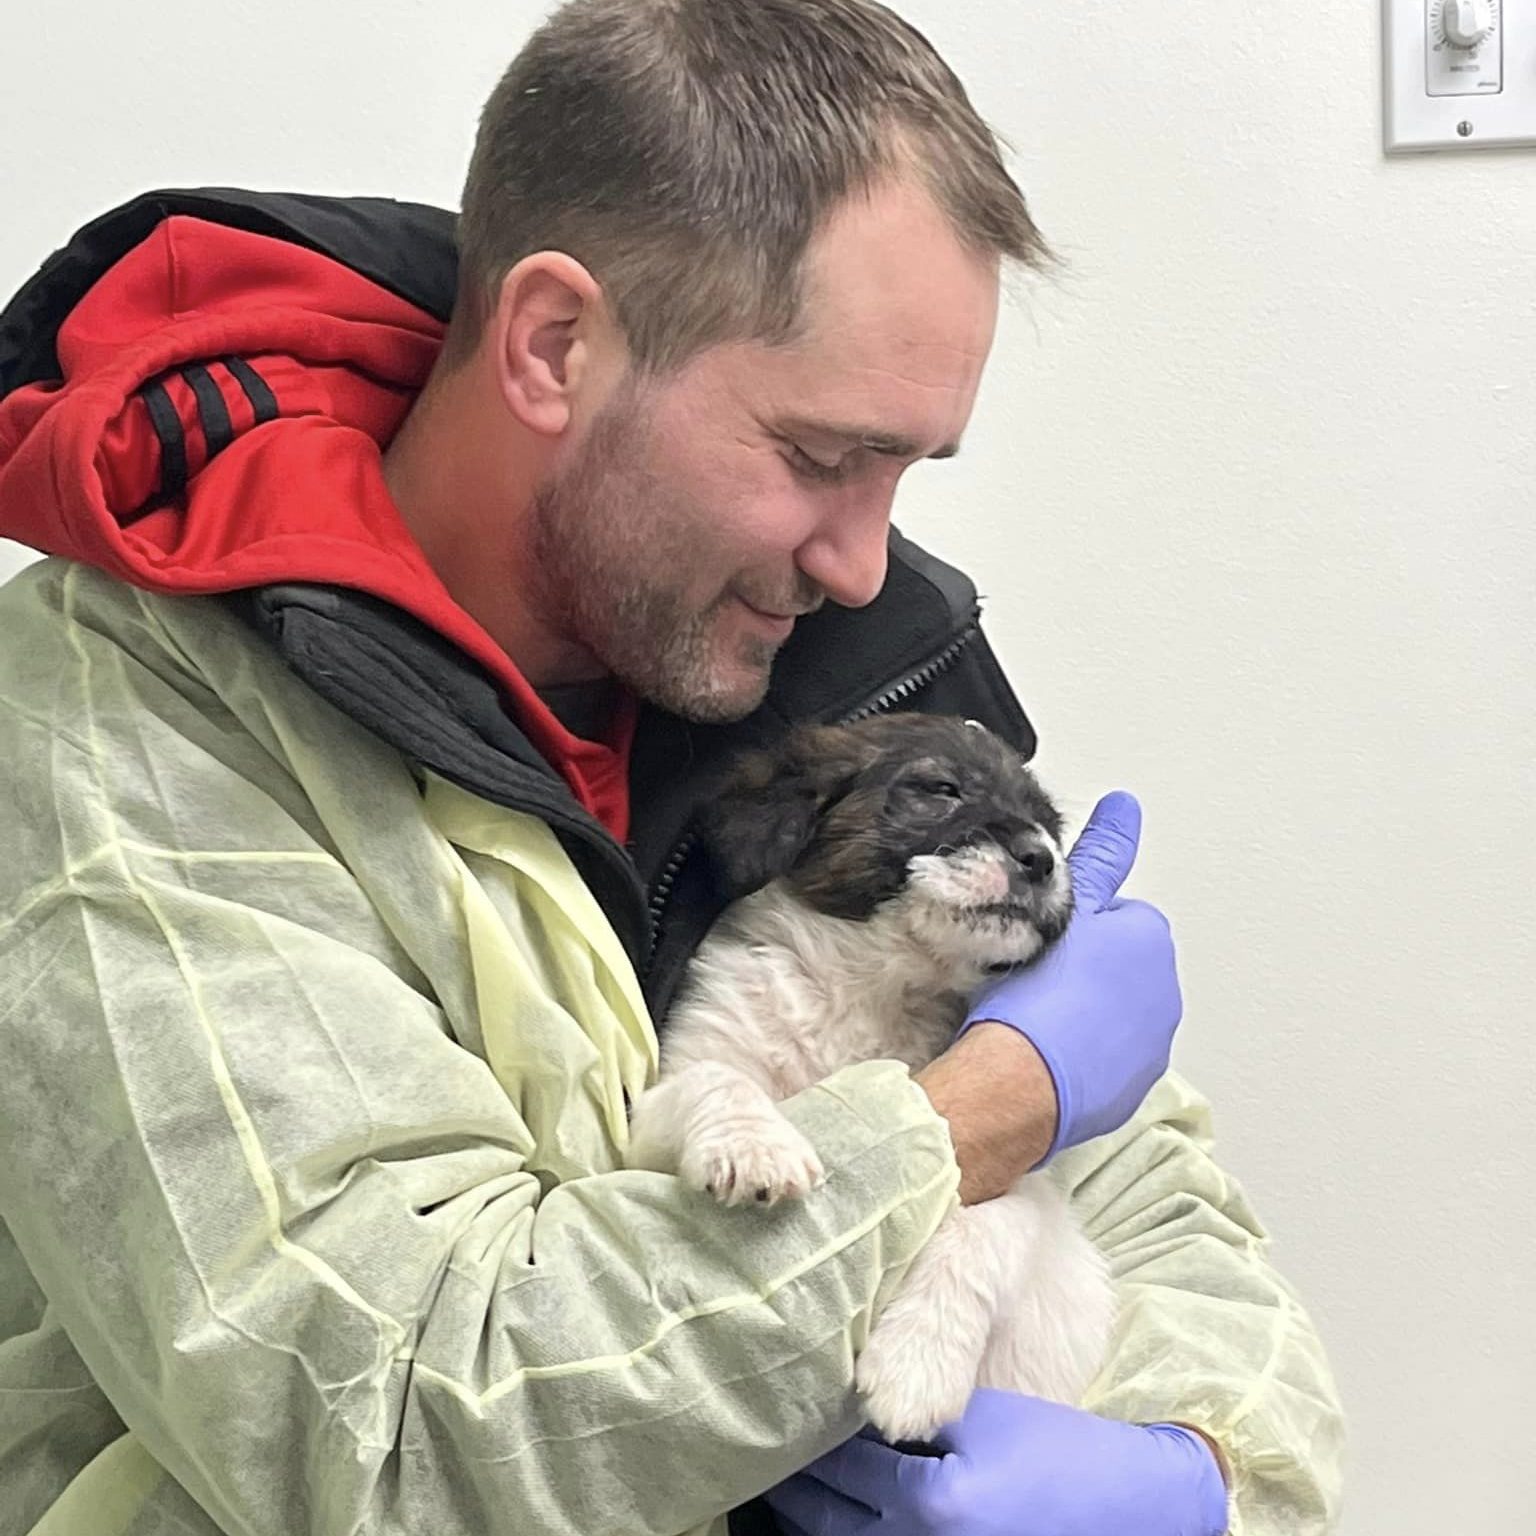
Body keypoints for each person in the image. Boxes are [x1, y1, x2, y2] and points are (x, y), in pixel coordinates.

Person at [0, 2, 1343, 1533]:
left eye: (906, 470)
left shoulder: (864, 669)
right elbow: (384, 1427)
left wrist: (1207, 1484)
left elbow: (1155, 1212)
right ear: (556, 343)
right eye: (823, 456)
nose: (863, 561)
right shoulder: (136, 714)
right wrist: (972, 1120)